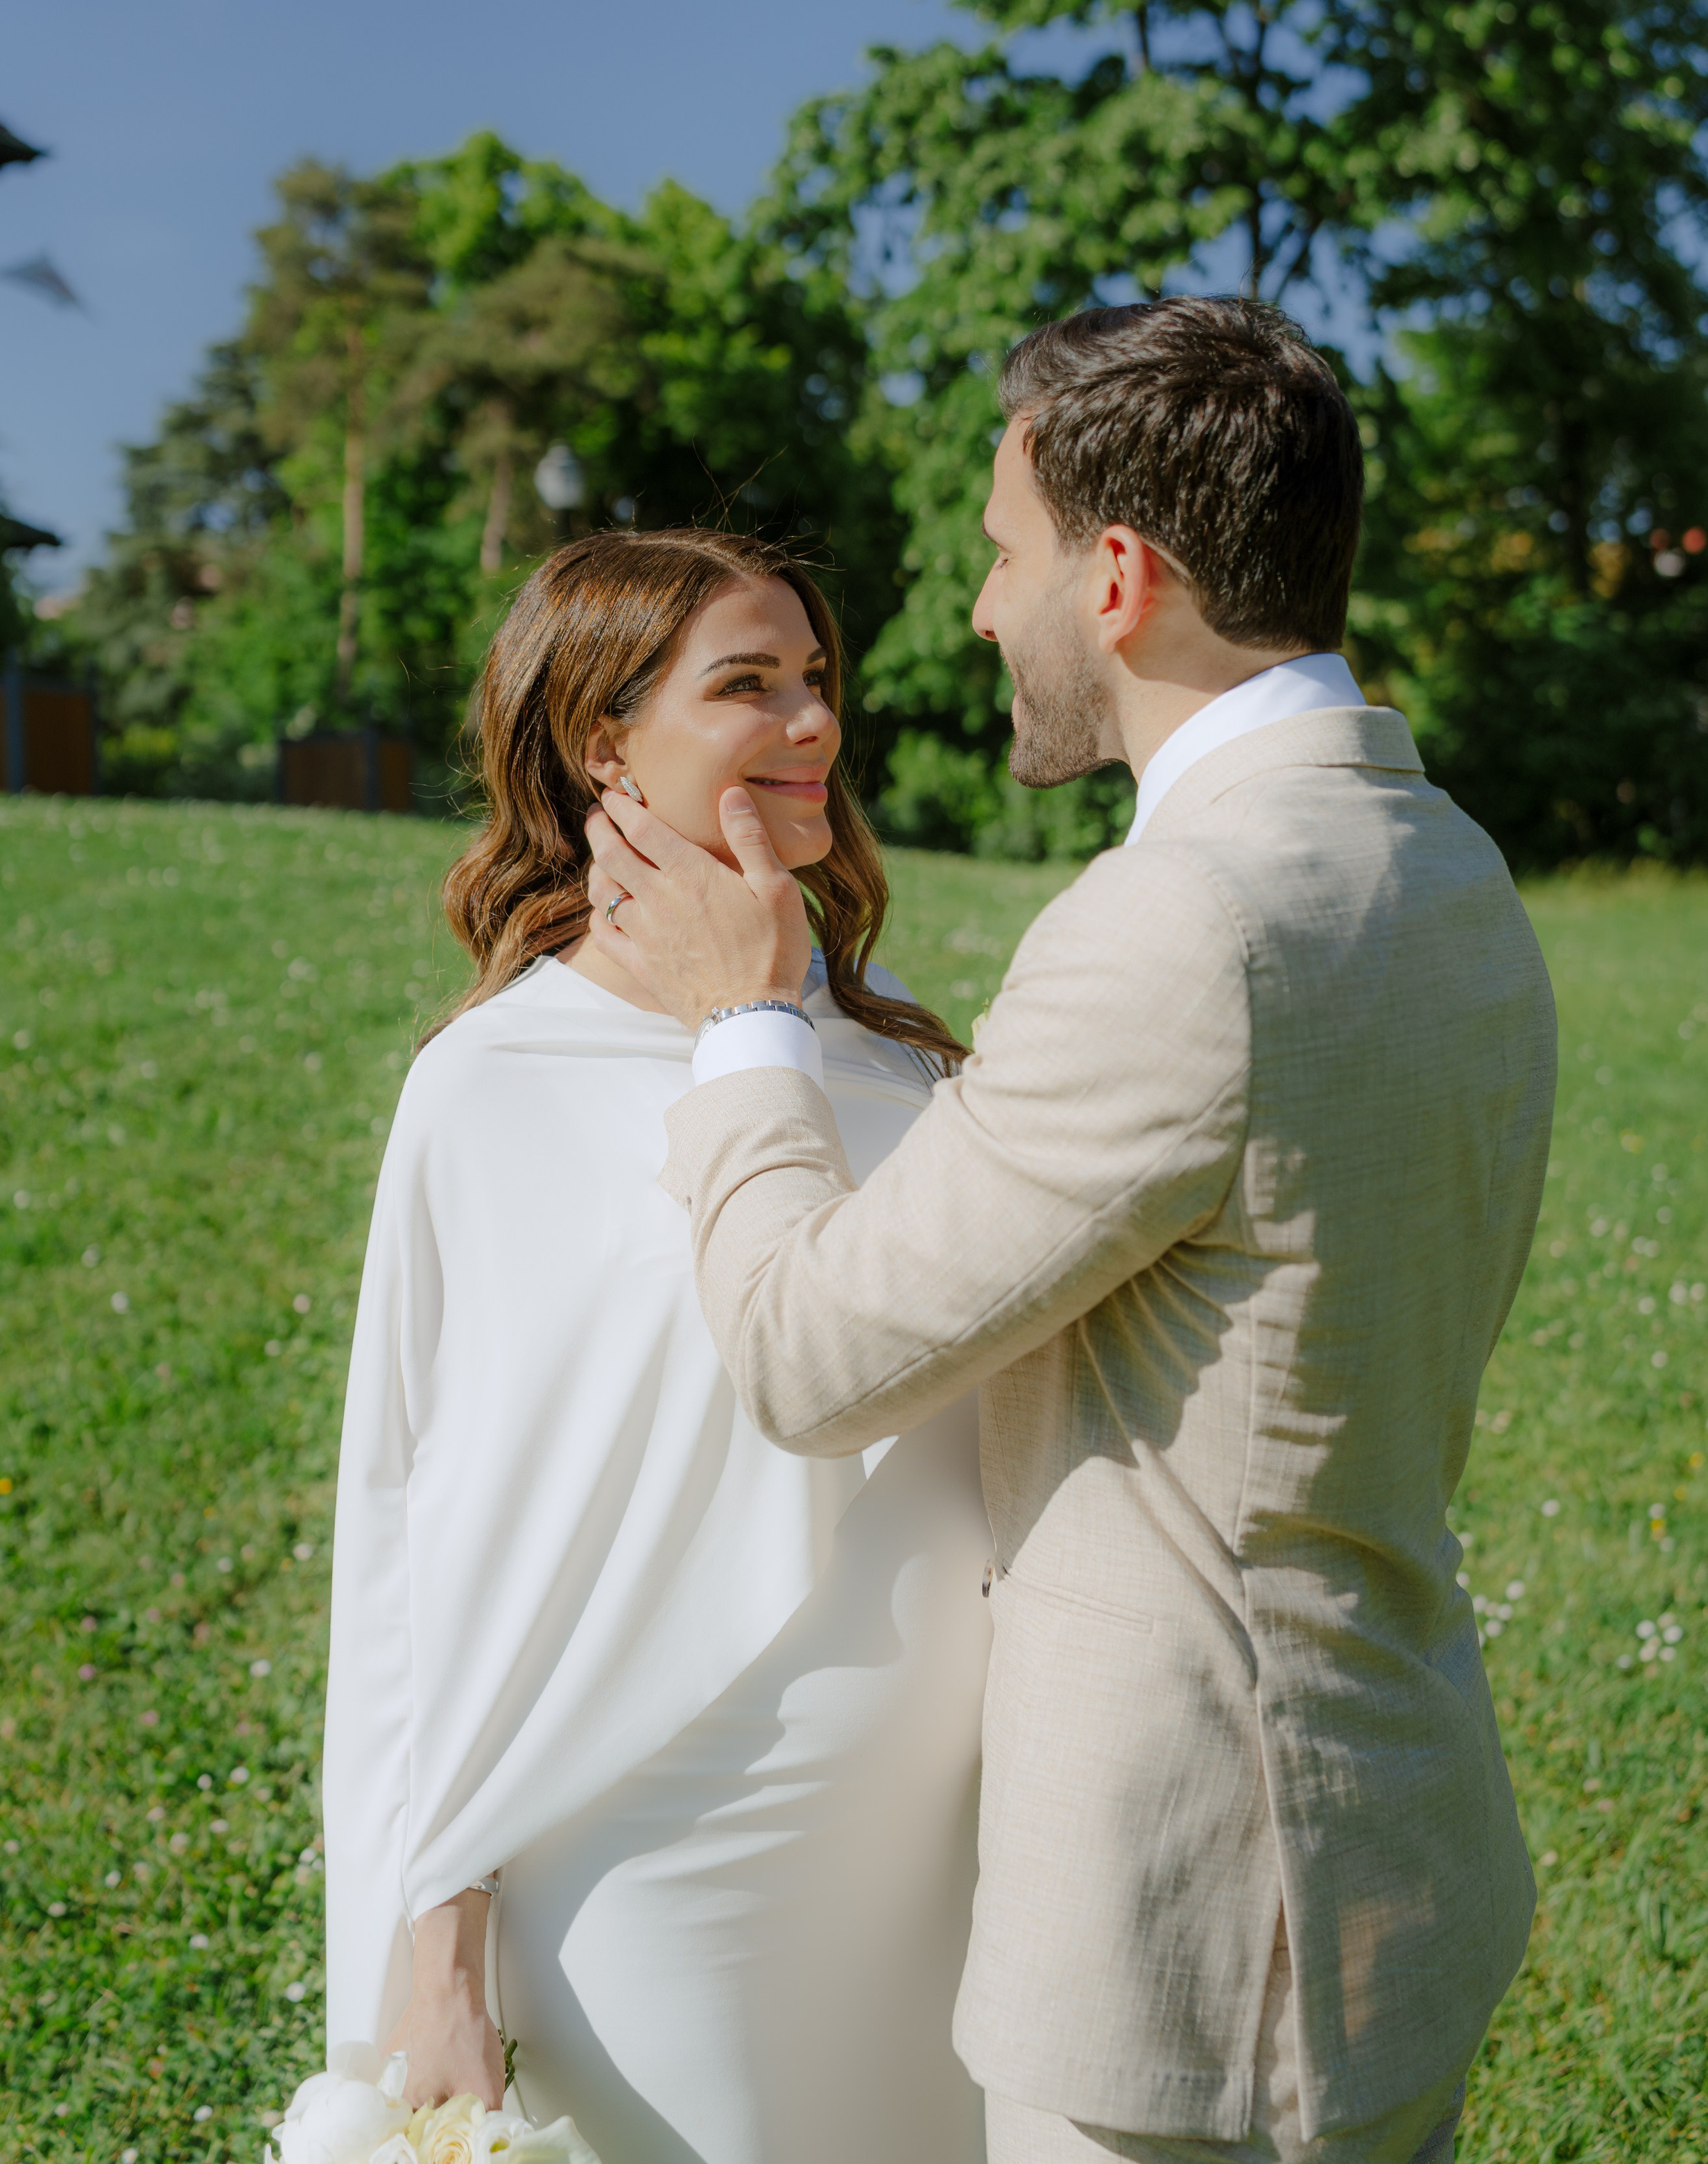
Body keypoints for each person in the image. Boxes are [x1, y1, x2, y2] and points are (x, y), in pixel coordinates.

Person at [584, 298, 1560, 2164]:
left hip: (1199, 1944)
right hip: (1398, 1845)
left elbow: (809, 1355)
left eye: (1000, 555)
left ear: (1115, 580)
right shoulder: (1448, 860)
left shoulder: (1182, 920)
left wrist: (744, 1024)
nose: (976, 611)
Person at [322, 528, 992, 2164]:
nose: (812, 720)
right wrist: (439, 1937)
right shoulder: (495, 1087)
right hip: (666, 1853)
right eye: (746, 685)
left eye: (814, 677)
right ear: (600, 743)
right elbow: (436, 1539)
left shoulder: (888, 1045)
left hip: (945, 1849)